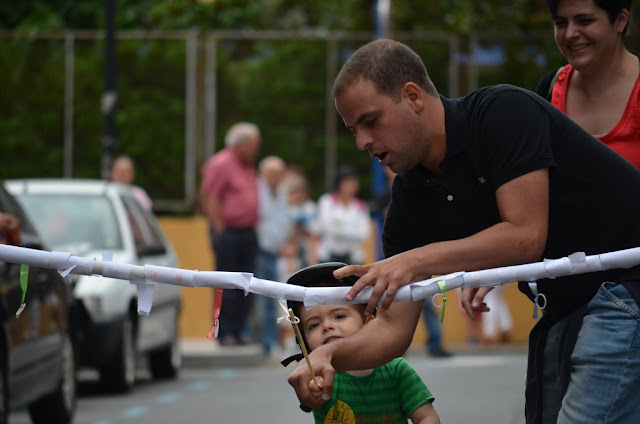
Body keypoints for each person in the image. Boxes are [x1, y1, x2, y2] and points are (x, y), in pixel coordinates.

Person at [287, 39, 640, 424]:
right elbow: (393, 327)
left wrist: (417, 260)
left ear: (412, 96)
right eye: (353, 129)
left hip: (626, 284)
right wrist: (326, 356)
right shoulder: (409, 199)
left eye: (370, 121)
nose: (362, 142)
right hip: (568, 304)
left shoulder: (502, 112)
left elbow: (525, 236)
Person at [286, 262, 440, 424]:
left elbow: (427, 417)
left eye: (339, 316)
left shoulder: (397, 371)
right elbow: (308, 398)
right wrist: (312, 392)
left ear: (369, 323)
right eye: (314, 325)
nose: (327, 327)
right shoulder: (318, 377)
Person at [536, 0, 640, 169]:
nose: (569, 34)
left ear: (620, 20)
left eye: (584, 21)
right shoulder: (549, 90)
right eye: (560, 23)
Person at [200, 122, 261, 346]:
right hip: (229, 232)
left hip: (247, 232)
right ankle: (224, 331)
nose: (256, 150)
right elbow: (210, 197)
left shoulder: (247, 165)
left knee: (247, 284)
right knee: (226, 285)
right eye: (253, 145)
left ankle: (239, 330)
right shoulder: (221, 163)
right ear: (240, 144)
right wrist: (219, 229)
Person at [255, 155, 291, 356]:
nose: (276, 177)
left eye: (280, 173)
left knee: (272, 299)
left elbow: (283, 223)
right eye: (272, 173)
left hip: (275, 252)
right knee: (258, 299)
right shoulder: (256, 191)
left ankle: (269, 343)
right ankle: (260, 341)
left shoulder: (282, 194)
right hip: (259, 250)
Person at [311, 165, 370, 265]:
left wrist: (339, 227)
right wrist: (352, 229)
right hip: (328, 257)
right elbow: (327, 227)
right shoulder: (327, 201)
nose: (352, 185)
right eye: (347, 182)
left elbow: (364, 234)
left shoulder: (360, 205)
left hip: (353, 258)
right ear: (339, 183)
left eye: (354, 181)